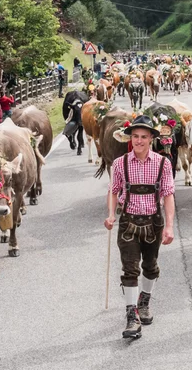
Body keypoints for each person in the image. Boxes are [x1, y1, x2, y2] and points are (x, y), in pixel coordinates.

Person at [105, 116, 176, 340]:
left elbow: (168, 195)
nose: (139, 141)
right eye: (135, 136)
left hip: (154, 221)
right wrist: (110, 215)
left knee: (151, 267)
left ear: (152, 139)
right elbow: (113, 190)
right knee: (130, 269)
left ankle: (144, 300)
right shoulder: (120, 163)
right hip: (128, 222)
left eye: (143, 137)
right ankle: (131, 316)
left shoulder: (163, 163)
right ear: (130, 138)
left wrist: (170, 226)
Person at [62, 88, 88, 154]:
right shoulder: (67, 106)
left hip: (80, 116)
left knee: (80, 128)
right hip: (72, 115)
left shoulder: (84, 102)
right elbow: (66, 119)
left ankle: (79, 147)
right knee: (67, 130)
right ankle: (71, 139)